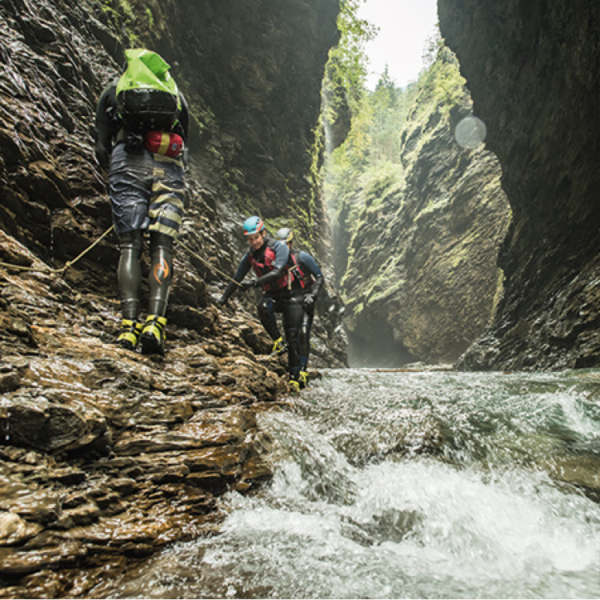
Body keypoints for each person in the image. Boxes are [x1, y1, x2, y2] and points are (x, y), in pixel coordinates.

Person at [94, 48, 189, 355]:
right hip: (168, 164)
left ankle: (129, 327)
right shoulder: (175, 96)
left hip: (127, 158)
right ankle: (156, 324)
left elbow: (101, 145)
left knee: (130, 245)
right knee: (162, 245)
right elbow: (185, 142)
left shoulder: (116, 91)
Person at [218, 216, 305, 392]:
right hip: (272, 296)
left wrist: (255, 283)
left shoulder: (279, 247)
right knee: (263, 307)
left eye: (256, 237)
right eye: (250, 239)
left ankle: (295, 377)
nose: (254, 242)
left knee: (293, 336)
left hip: (292, 295)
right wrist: (223, 299)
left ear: (263, 233)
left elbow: (279, 270)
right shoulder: (250, 256)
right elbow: (237, 278)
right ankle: (277, 341)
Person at [275, 228, 324, 388]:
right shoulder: (277, 261)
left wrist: (313, 295)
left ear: (291, 243)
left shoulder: (302, 257)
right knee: (292, 338)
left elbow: (319, 276)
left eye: (286, 244)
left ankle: (302, 369)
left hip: (306, 300)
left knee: (303, 333)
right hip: (289, 302)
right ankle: (293, 372)